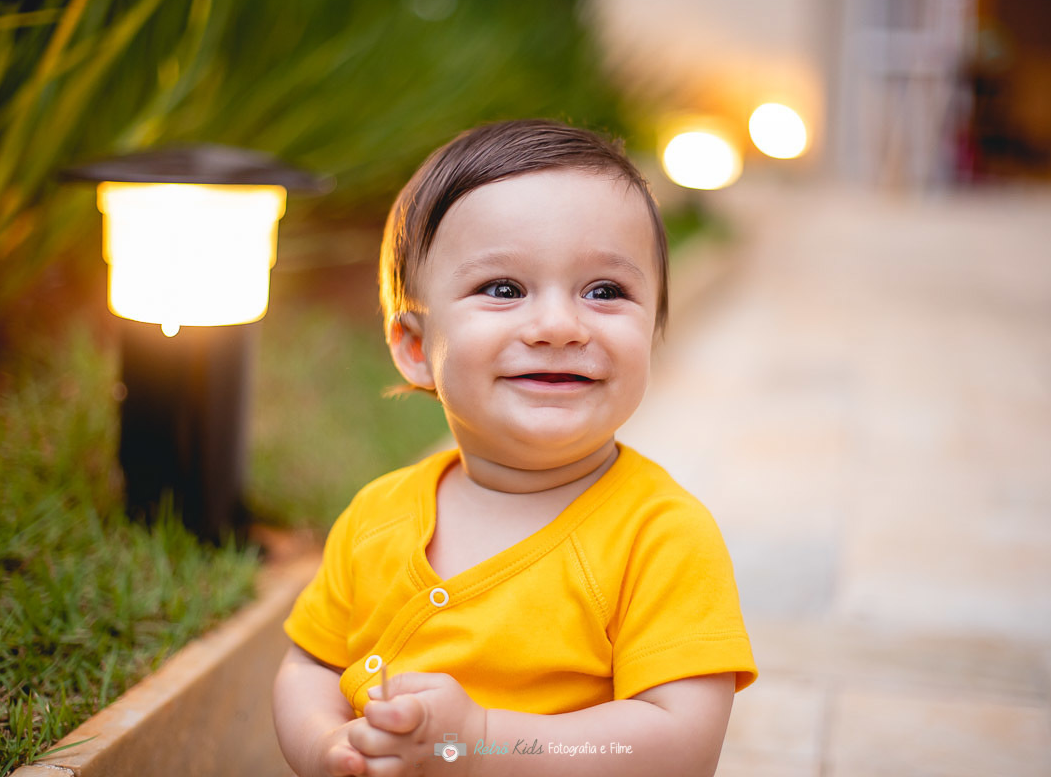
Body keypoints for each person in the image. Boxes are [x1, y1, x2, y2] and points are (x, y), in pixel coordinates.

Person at [272, 119, 757, 777]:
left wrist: (482, 740)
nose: (559, 325)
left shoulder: (661, 537)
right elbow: (312, 667)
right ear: (417, 348)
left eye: (605, 292)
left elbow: (680, 744)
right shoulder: (376, 517)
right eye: (504, 289)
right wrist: (326, 746)